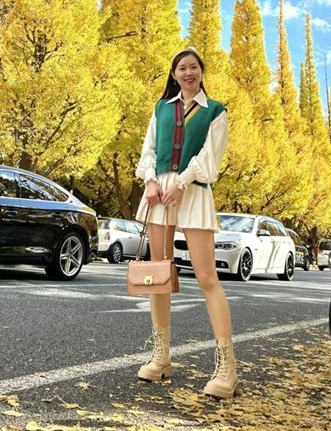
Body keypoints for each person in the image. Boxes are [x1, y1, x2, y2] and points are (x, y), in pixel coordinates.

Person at [134, 47, 237, 399]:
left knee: (207, 277)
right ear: (174, 74)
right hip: (159, 191)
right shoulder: (162, 108)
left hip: (193, 192)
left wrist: (182, 182)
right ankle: (161, 357)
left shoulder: (216, 111)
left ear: (202, 71)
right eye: (182, 68)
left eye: (193, 67)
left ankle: (227, 369)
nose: (188, 72)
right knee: (158, 273)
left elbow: (211, 158)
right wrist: (150, 180)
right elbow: (148, 150)